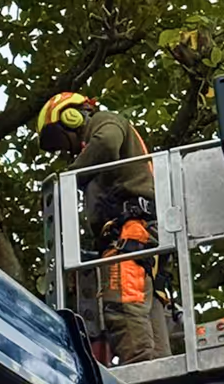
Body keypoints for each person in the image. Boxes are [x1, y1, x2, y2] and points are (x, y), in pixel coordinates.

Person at [36, 92, 173, 365]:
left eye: (63, 140)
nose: (69, 150)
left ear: (71, 116)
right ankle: (161, 379)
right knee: (146, 310)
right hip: (139, 234)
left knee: (123, 305)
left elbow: (107, 143)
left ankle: (143, 376)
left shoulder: (106, 121)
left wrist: (70, 176)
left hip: (129, 232)